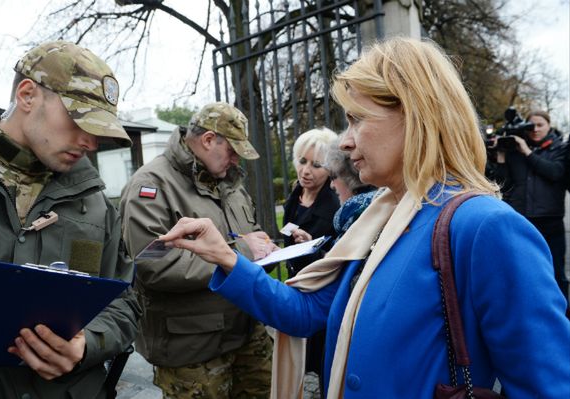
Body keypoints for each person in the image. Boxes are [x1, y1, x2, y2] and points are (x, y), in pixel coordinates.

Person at [156, 37, 570, 398]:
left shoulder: (485, 227)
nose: (346, 141)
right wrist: (226, 258)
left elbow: (546, 387)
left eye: (357, 119)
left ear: (417, 115)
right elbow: (303, 313)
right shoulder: (374, 219)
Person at [0, 41, 141, 398]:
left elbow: (124, 299)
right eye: (78, 119)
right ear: (27, 95)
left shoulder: (94, 203)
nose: (90, 142)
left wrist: (86, 344)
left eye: (98, 130)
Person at [119, 102, 276, 399]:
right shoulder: (151, 186)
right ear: (207, 140)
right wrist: (242, 250)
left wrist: (262, 247)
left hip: (246, 330)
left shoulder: (229, 185)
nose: (234, 162)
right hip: (193, 348)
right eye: (231, 151)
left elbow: (246, 236)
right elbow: (152, 263)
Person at [489, 110, 568, 298]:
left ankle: (563, 318)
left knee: (555, 272)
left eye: (540, 125)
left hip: (550, 221)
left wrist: (527, 151)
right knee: (521, 272)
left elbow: (555, 173)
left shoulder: (560, 149)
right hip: (521, 220)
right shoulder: (513, 150)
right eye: (531, 126)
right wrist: (501, 156)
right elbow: (503, 184)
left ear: (549, 125)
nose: (535, 130)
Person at [282, 127, 340, 278]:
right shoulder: (294, 196)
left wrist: (312, 246)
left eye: (316, 165)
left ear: (330, 168)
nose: (305, 170)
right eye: (302, 161)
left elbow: (338, 260)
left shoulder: (336, 207)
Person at [323, 134, 378, 240]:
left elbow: (344, 255)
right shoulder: (381, 197)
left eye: (333, 176)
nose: (331, 185)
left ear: (349, 176)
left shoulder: (351, 211)